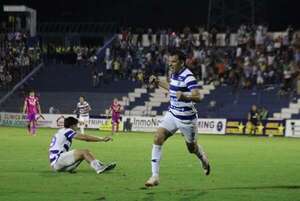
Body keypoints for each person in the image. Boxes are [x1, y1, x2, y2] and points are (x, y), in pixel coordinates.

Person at [145, 49, 210, 187]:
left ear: (182, 62)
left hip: (187, 119)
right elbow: (172, 88)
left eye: (173, 61)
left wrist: (186, 96)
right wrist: (158, 82)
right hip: (173, 113)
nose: (170, 64)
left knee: (191, 148)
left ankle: (203, 158)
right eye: (169, 61)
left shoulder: (188, 77)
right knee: (158, 137)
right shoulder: (174, 73)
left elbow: (198, 96)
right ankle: (154, 176)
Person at [49, 117, 116, 174]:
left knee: (85, 153)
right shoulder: (67, 131)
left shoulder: (62, 131)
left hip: (58, 163)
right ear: (72, 125)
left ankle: (101, 166)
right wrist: (102, 139)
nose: (77, 127)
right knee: (84, 152)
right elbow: (85, 138)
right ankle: (99, 168)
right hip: (58, 160)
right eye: (76, 125)